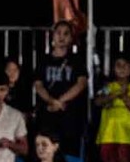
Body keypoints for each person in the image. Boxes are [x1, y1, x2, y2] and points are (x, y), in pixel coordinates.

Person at [30, 21, 90, 153]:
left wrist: (60, 101)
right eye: (58, 33)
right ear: (53, 36)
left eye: (66, 34)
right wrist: (51, 100)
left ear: (71, 38)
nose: (62, 37)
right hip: (47, 113)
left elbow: (81, 83)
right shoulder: (43, 60)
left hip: (70, 115)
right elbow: (38, 85)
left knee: (69, 152)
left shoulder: (77, 61)